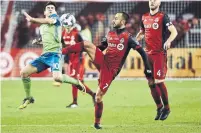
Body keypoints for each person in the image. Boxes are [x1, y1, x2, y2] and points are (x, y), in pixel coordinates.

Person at [62, 12, 153, 129]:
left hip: (111, 70)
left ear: (123, 22)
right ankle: (61, 51)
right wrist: (91, 51)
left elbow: (142, 52)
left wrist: (147, 68)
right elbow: (102, 46)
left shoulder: (128, 37)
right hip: (103, 60)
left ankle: (96, 123)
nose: (113, 20)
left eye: (116, 18)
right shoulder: (110, 33)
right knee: (86, 44)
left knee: (98, 97)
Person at [19, 2, 86, 109]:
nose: (50, 9)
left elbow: (48, 20)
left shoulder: (55, 19)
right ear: (44, 12)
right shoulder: (42, 27)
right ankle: (29, 97)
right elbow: (49, 39)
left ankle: (76, 82)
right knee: (24, 73)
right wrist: (39, 41)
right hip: (44, 56)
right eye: (48, 8)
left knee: (57, 78)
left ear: (55, 12)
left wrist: (32, 19)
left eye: (52, 8)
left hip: (55, 54)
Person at [136, 0, 178, 120]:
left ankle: (167, 108)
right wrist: (137, 38)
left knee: (159, 81)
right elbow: (142, 32)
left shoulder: (163, 16)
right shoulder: (144, 17)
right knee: (151, 83)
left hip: (159, 54)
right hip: (147, 54)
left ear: (159, 3)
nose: (152, 2)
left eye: (155, 0)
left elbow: (174, 31)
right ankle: (159, 107)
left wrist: (168, 41)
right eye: (150, 0)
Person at [60, 13, 95, 108]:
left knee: (74, 81)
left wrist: (89, 55)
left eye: (64, 23)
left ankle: (75, 102)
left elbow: (86, 45)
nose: (63, 25)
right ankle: (93, 95)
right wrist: (66, 61)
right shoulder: (63, 34)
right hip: (72, 61)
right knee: (78, 83)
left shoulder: (77, 34)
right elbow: (65, 48)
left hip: (78, 60)